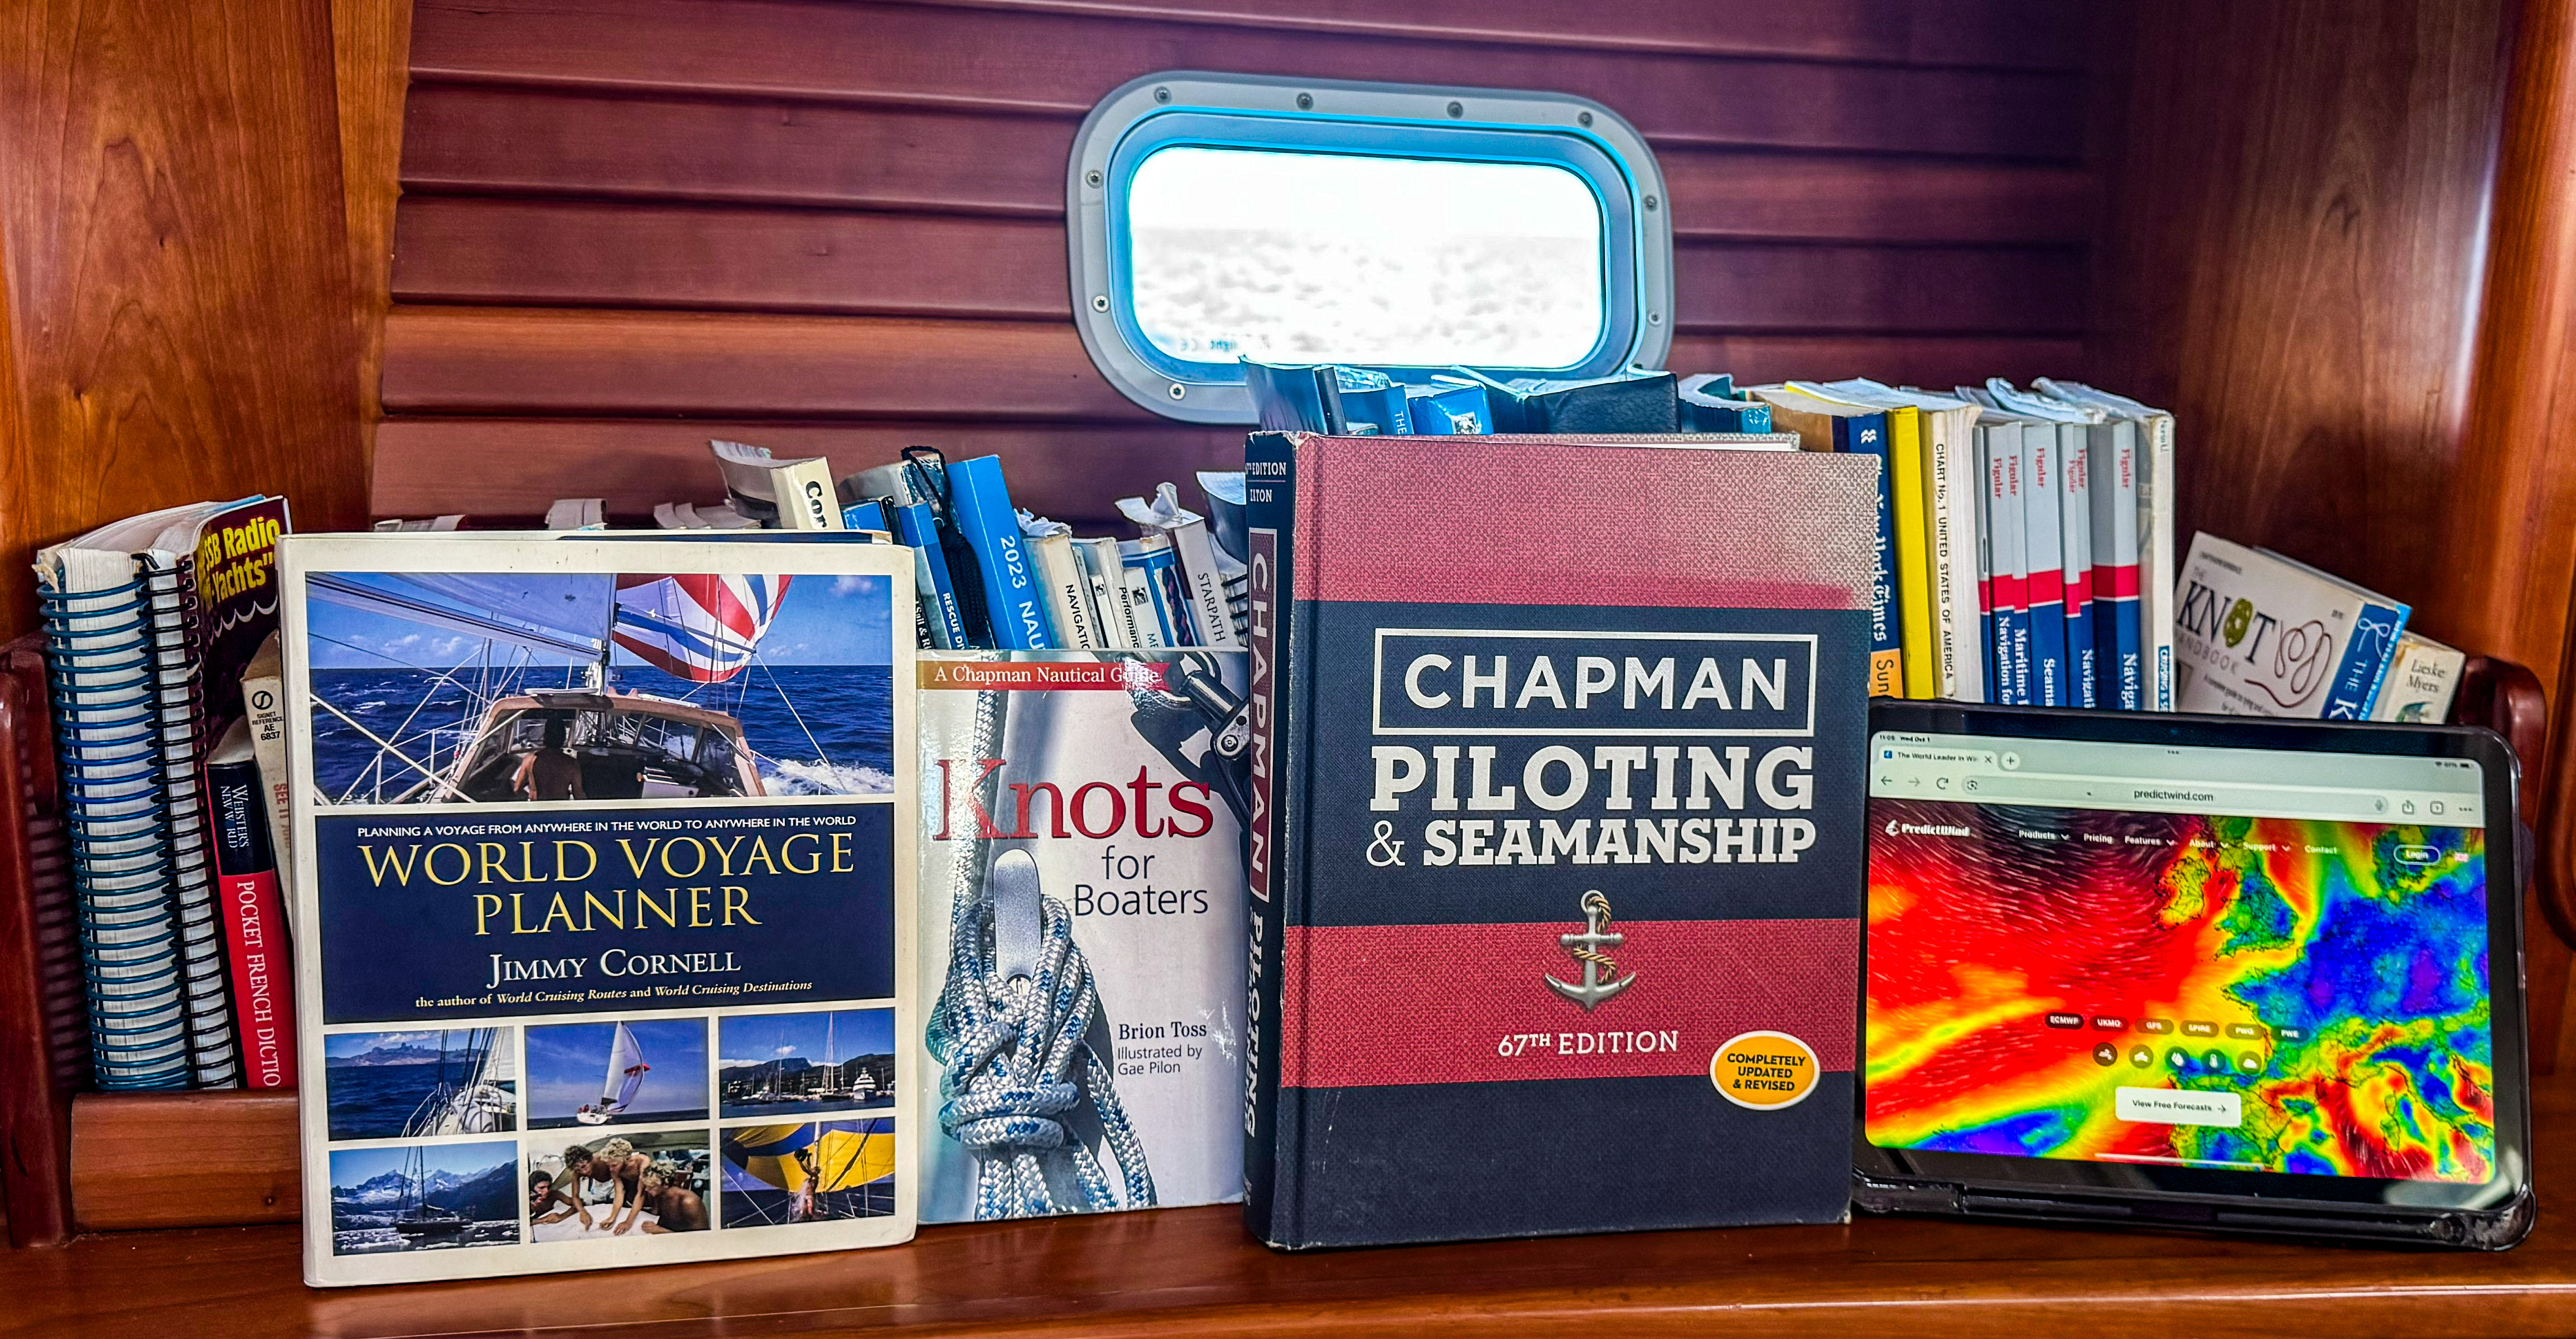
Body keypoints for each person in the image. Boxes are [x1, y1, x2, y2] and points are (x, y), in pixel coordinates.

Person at [588, 1135, 654, 1235]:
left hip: (650, 1199)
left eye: (614, 1165)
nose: (611, 1169)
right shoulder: (615, 1168)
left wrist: (628, 1222)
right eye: (609, 1166)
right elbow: (619, 1193)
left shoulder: (642, 1162)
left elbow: (641, 1195)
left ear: (626, 1159)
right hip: (630, 1198)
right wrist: (612, 1217)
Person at [512, 715, 585, 802]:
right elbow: (578, 795)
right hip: (559, 810)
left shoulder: (530, 760)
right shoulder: (571, 763)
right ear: (563, 737)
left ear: (545, 736)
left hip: (536, 809)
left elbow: (517, 789)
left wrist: (530, 798)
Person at [636, 1162, 709, 1234]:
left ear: (666, 1184)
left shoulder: (689, 1202)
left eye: (651, 1187)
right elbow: (655, 1214)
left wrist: (660, 1231)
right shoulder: (659, 1195)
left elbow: (701, 1238)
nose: (647, 1190)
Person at [532, 1149, 596, 1230]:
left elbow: (579, 1202)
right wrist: (542, 1220)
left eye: (548, 1187)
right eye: (542, 1188)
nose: (546, 1191)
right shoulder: (527, 1201)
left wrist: (562, 1216)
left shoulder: (553, 1194)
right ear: (532, 1189)